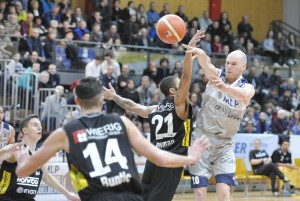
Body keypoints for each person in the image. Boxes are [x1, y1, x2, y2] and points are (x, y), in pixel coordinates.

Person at [16, 77, 209, 201]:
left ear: (76, 102)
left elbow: (24, 171)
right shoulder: (122, 123)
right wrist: (189, 159)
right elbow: (160, 156)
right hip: (128, 195)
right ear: (101, 101)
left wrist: (24, 158)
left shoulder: (64, 133)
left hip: (96, 196)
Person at [103, 29, 205, 201]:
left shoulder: (154, 109)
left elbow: (132, 106)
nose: (183, 87)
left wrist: (114, 96)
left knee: (144, 197)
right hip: (171, 160)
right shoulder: (179, 103)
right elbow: (187, 76)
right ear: (173, 90)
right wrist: (189, 52)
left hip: (153, 159)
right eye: (179, 85)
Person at [183, 42, 255, 200]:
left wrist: (224, 87)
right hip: (202, 138)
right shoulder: (216, 75)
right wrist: (198, 51)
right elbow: (206, 62)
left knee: (224, 190)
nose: (228, 66)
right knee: (200, 192)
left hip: (224, 144)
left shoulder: (247, 87)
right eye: (227, 62)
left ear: (243, 67)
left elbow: (245, 95)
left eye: (233, 64)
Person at [0, 114, 79, 201]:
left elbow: (46, 177)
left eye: (40, 125)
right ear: (25, 130)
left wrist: (67, 194)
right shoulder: (14, 149)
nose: (40, 127)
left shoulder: (38, 153)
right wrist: (4, 151)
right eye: (35, 125)